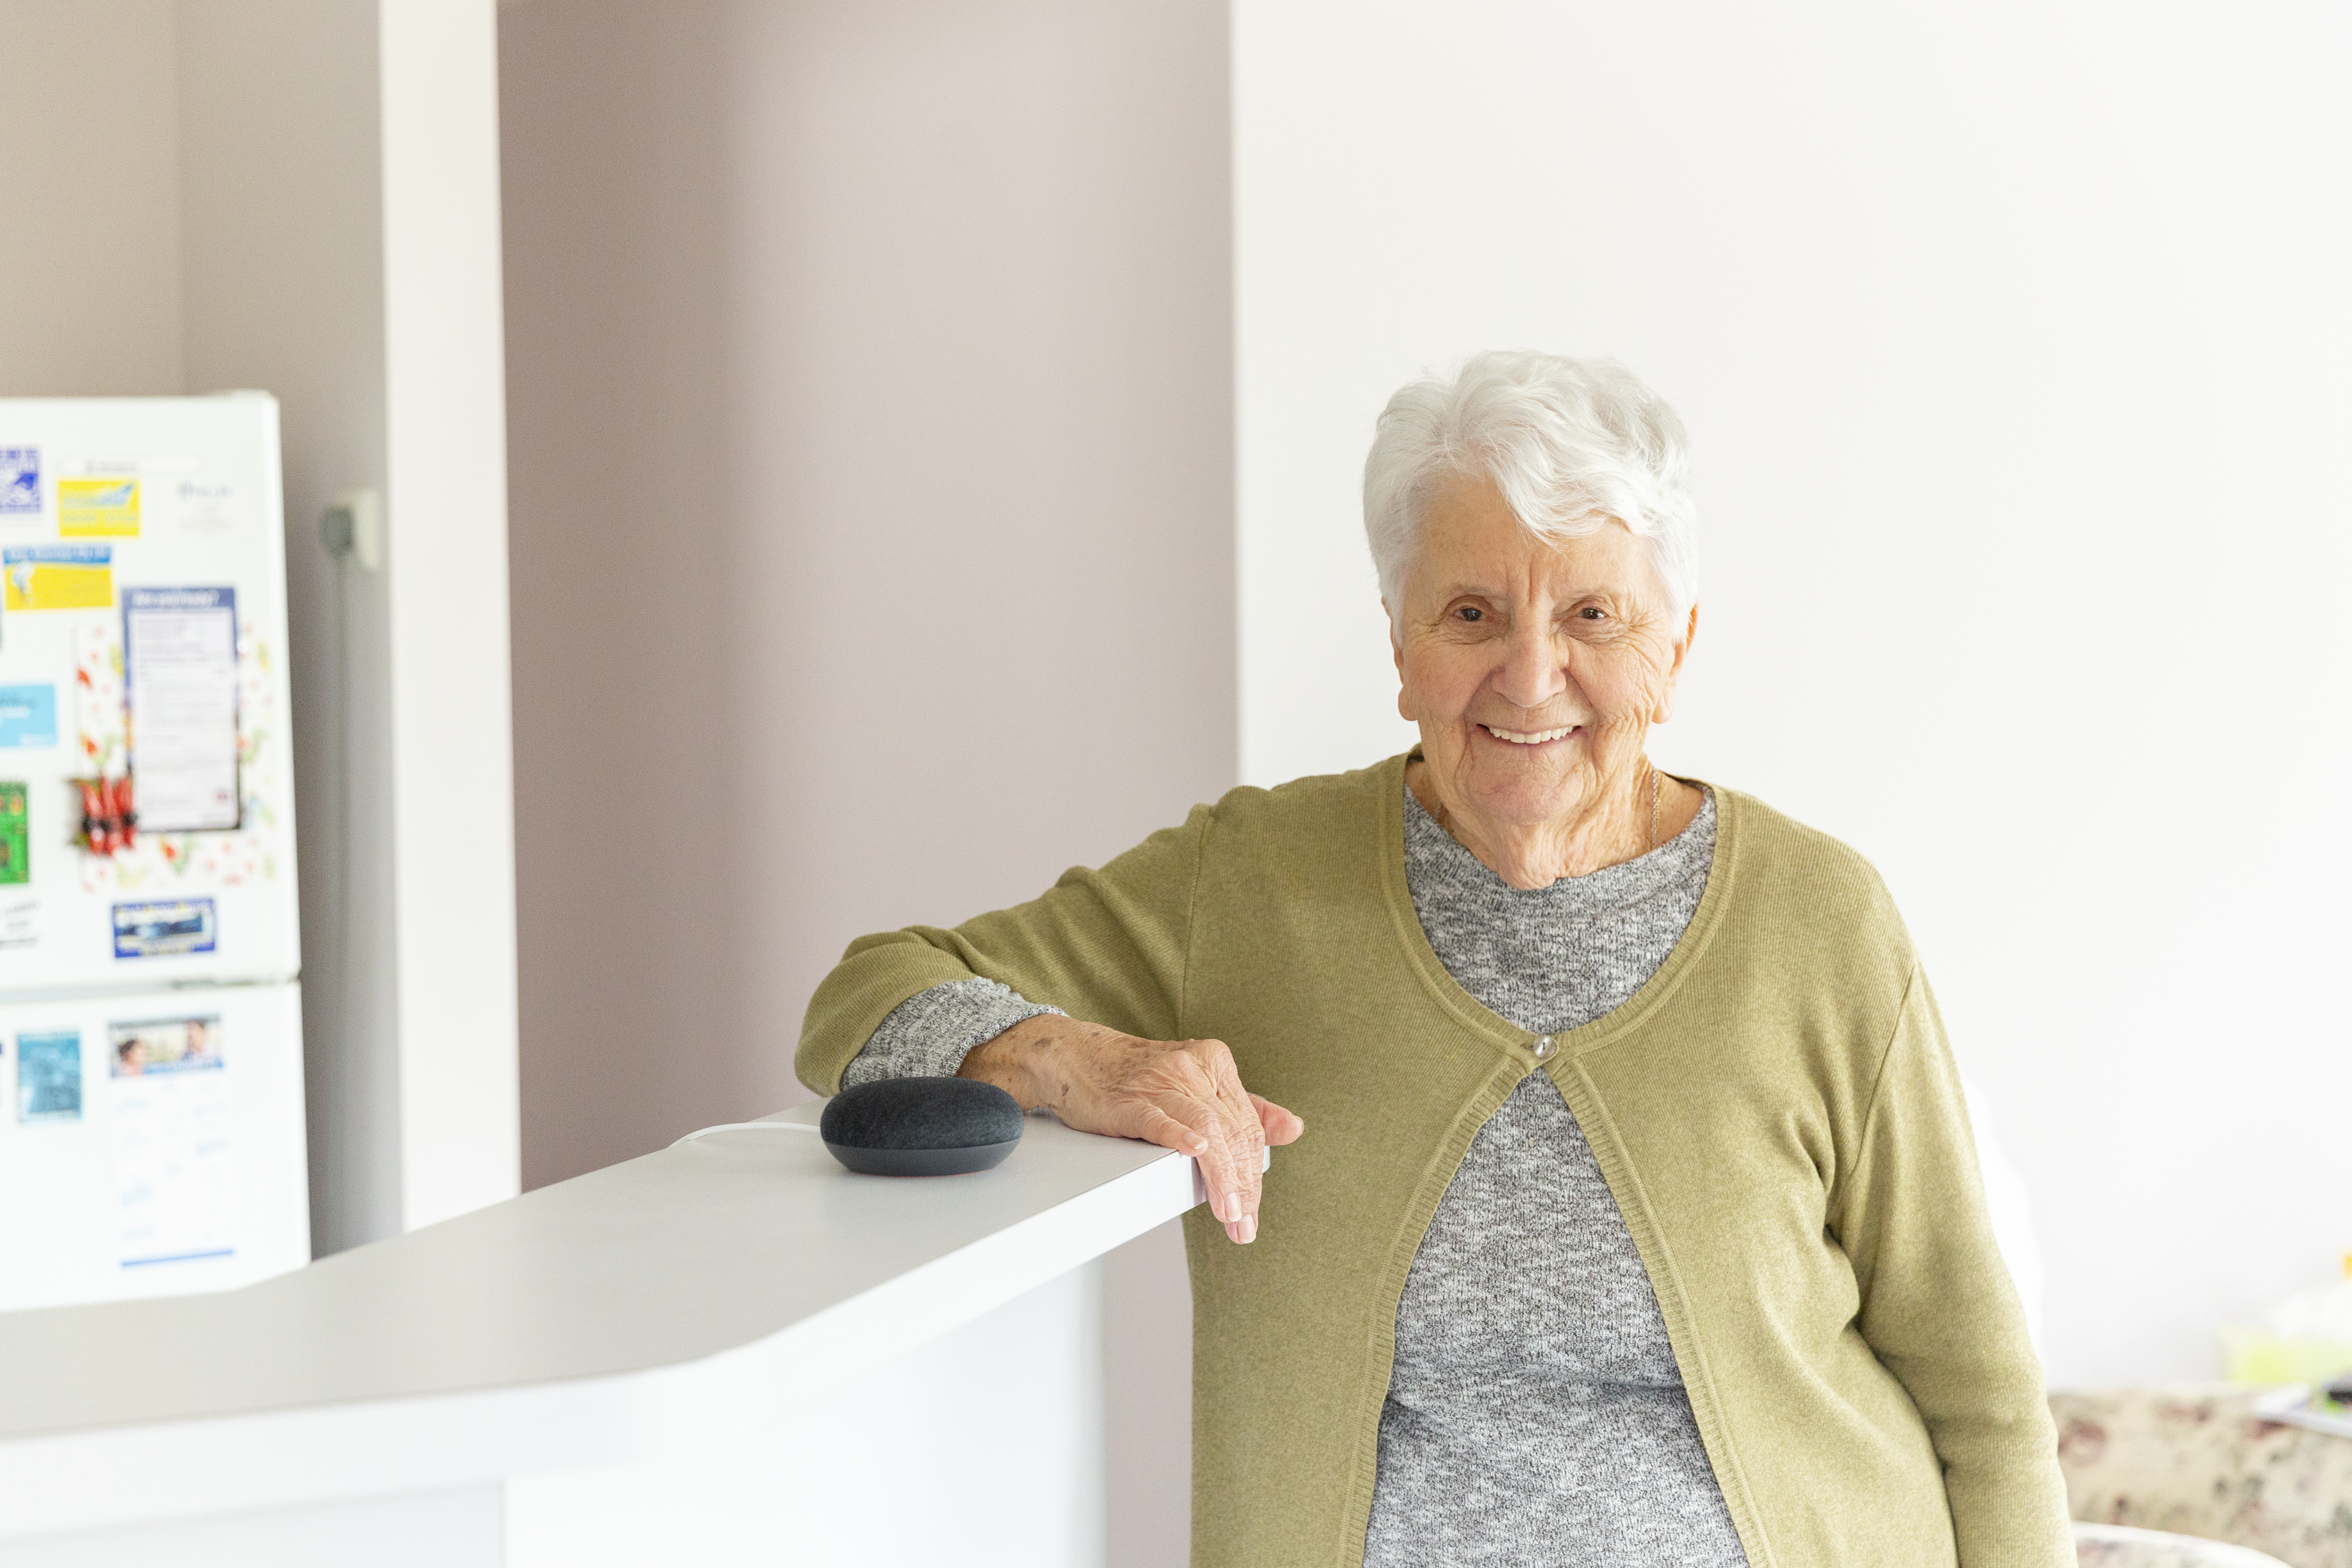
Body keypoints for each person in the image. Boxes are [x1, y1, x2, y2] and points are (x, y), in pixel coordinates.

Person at [798, 351, 2071, 1567]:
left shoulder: (1821, 921)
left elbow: (1982, 1391)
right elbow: (864, 998)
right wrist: (1079, 1061)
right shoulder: (1252, 883)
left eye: (1591, 615)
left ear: (1673, 650)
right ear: (1403, 649)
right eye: (1472, 613)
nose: (1530, 677)